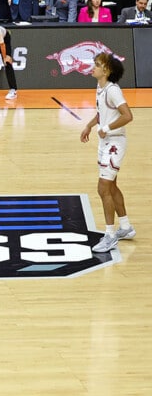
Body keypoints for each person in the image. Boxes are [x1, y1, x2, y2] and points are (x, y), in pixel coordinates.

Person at [82, 53, 134, 253]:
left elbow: (128, 116)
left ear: (107, 70)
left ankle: (110, 235)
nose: (92, 67)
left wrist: (107, 129)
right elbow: (101, 112)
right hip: (105, 142)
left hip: (115, 142)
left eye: (96, 65)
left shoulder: (113, 91)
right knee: (111, 186)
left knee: (102, 188)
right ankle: (126, 227)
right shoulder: (100, 88)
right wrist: (89, 125)